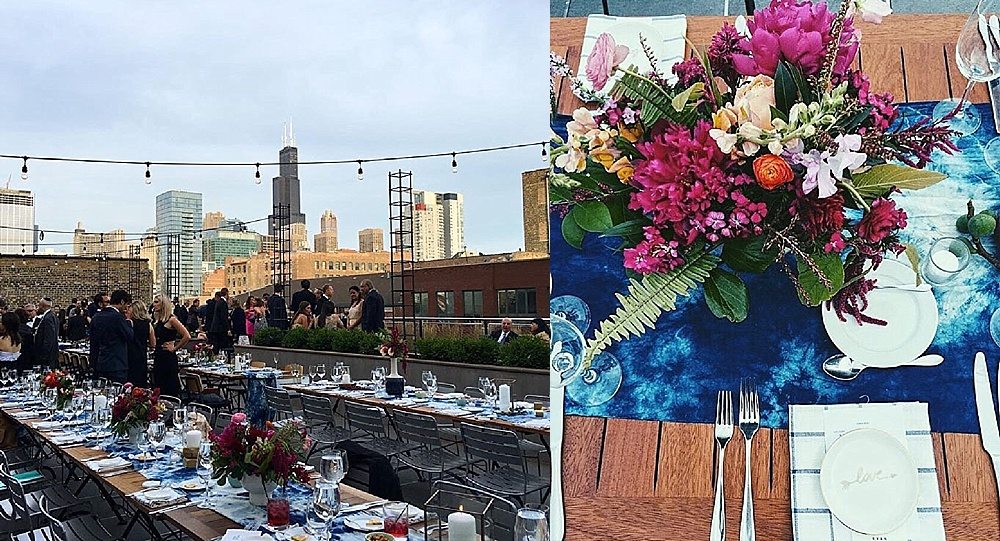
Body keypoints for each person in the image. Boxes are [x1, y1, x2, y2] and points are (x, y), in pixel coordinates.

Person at [89, 290, 134, 383]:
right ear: (122, 302)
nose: (126, 308)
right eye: (127, 304)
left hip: (101, 363)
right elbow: (129, 336)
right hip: (117, 364)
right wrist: (129, 322)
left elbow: (93, 342)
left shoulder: (96, 317)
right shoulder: (118, 317)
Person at [151, 294, 190, 398]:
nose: (154, 304)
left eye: (156, 302)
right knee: (158, 387)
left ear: (163, 304)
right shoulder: (157, 320)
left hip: (168, 357)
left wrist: (175, 348)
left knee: (169, 388)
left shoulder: (172, 319)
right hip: (158, 356)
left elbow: (186, 336)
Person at [125, 300, 155, 386]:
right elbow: (153, 344)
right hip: (142, 356)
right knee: (141, 385)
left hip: (129, 357)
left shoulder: (130, 323)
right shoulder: (148, 324)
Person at [33, 297, 59, 368]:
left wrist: (44, 354)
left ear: (42, 306)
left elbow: (48, 338)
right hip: (51, 353)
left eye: (39, 305)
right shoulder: (53, 316)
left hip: (47, 355)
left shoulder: (48, 318)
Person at [208, 289, 232, 353]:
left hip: (215, 328)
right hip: (221, 329)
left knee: (216, 346)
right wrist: (228, 329)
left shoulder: (218, 302)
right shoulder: (223, 303)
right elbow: (223, 317)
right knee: (222, 346)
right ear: (226, 294)